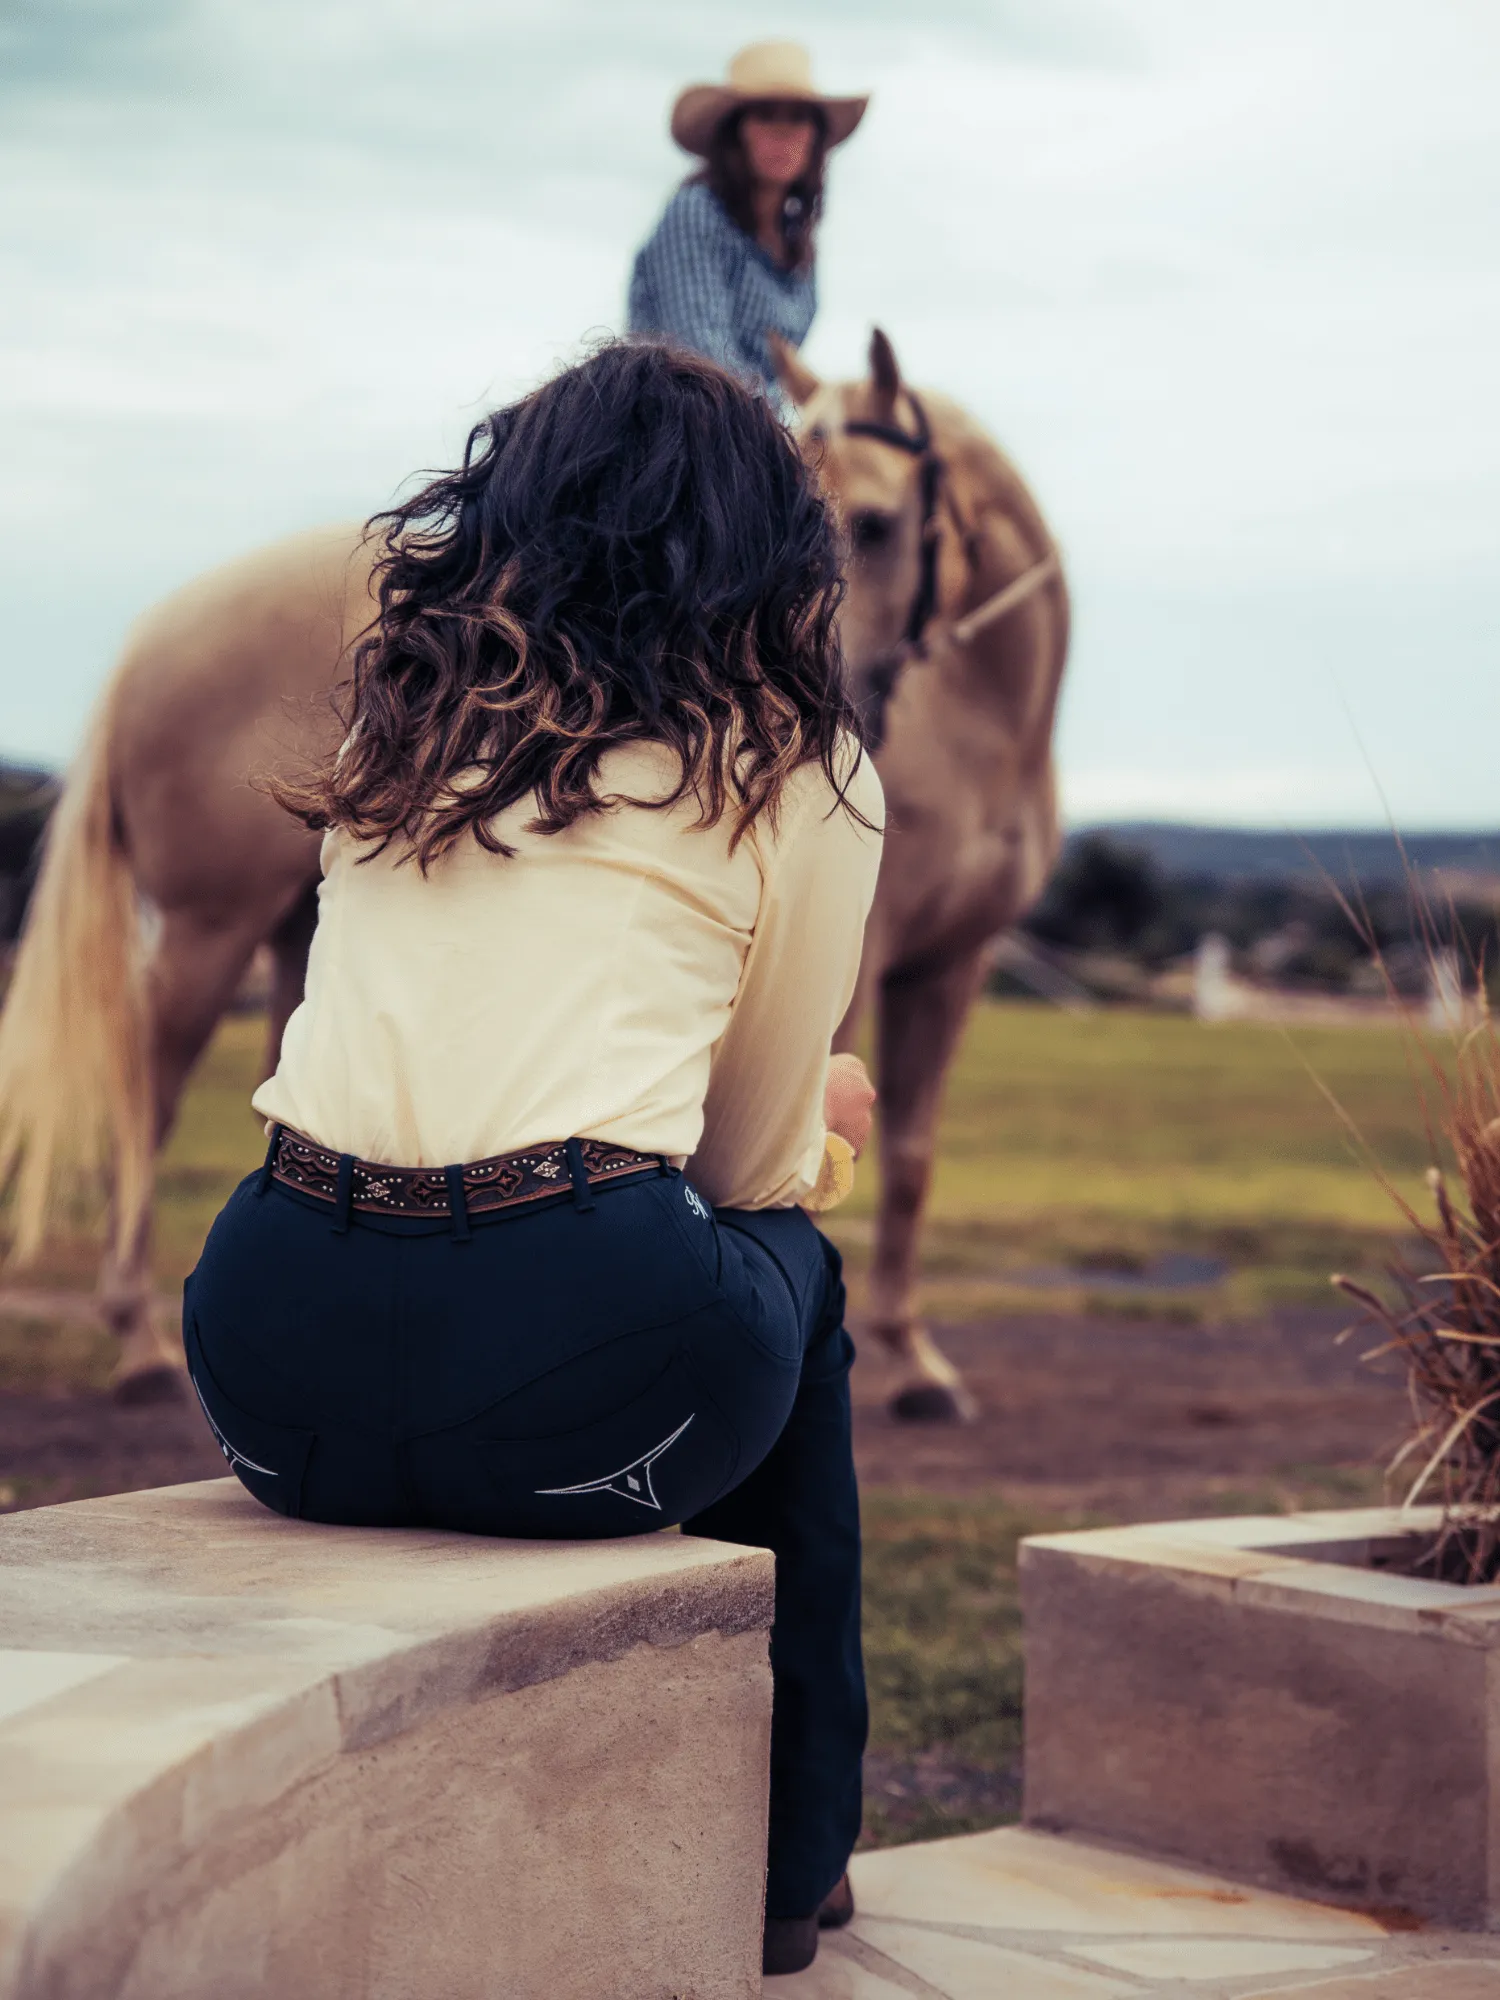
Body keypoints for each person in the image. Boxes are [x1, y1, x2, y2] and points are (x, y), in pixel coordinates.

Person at [182, 340, 885, 1979]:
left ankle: (786, 1852)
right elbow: (755, 1155)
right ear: (758, 536)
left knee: (694, 1255)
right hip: (594, 1410)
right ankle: (793, 1864)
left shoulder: (408, 720)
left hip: (277, 1387)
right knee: (802, 1266)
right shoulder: (795, 756)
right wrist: (829, 1120)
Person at [628, 40, 868, 399]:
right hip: (673, 426)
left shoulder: (797, 245)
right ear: (735, 132)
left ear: (814, 137)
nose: (782, 132)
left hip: (754, 432)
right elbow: (703, 363)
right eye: (766, 115)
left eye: (797, 117)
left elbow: (786, 377)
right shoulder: (696, 214)